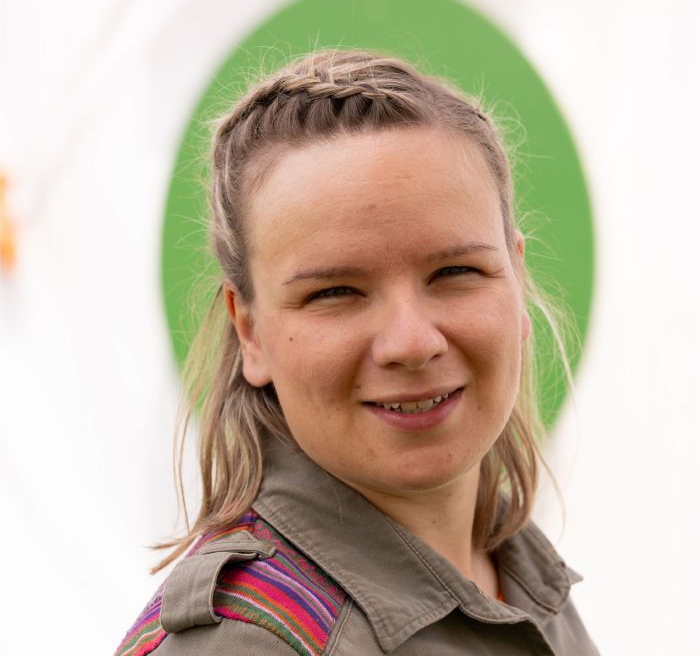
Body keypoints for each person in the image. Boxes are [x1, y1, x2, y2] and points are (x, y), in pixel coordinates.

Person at [115, 50, 598, 655]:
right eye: (335, 292)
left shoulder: (517, 574)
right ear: (250, 331)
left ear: (516, 279)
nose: (412, 343)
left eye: (455, 272)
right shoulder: (246, 645)